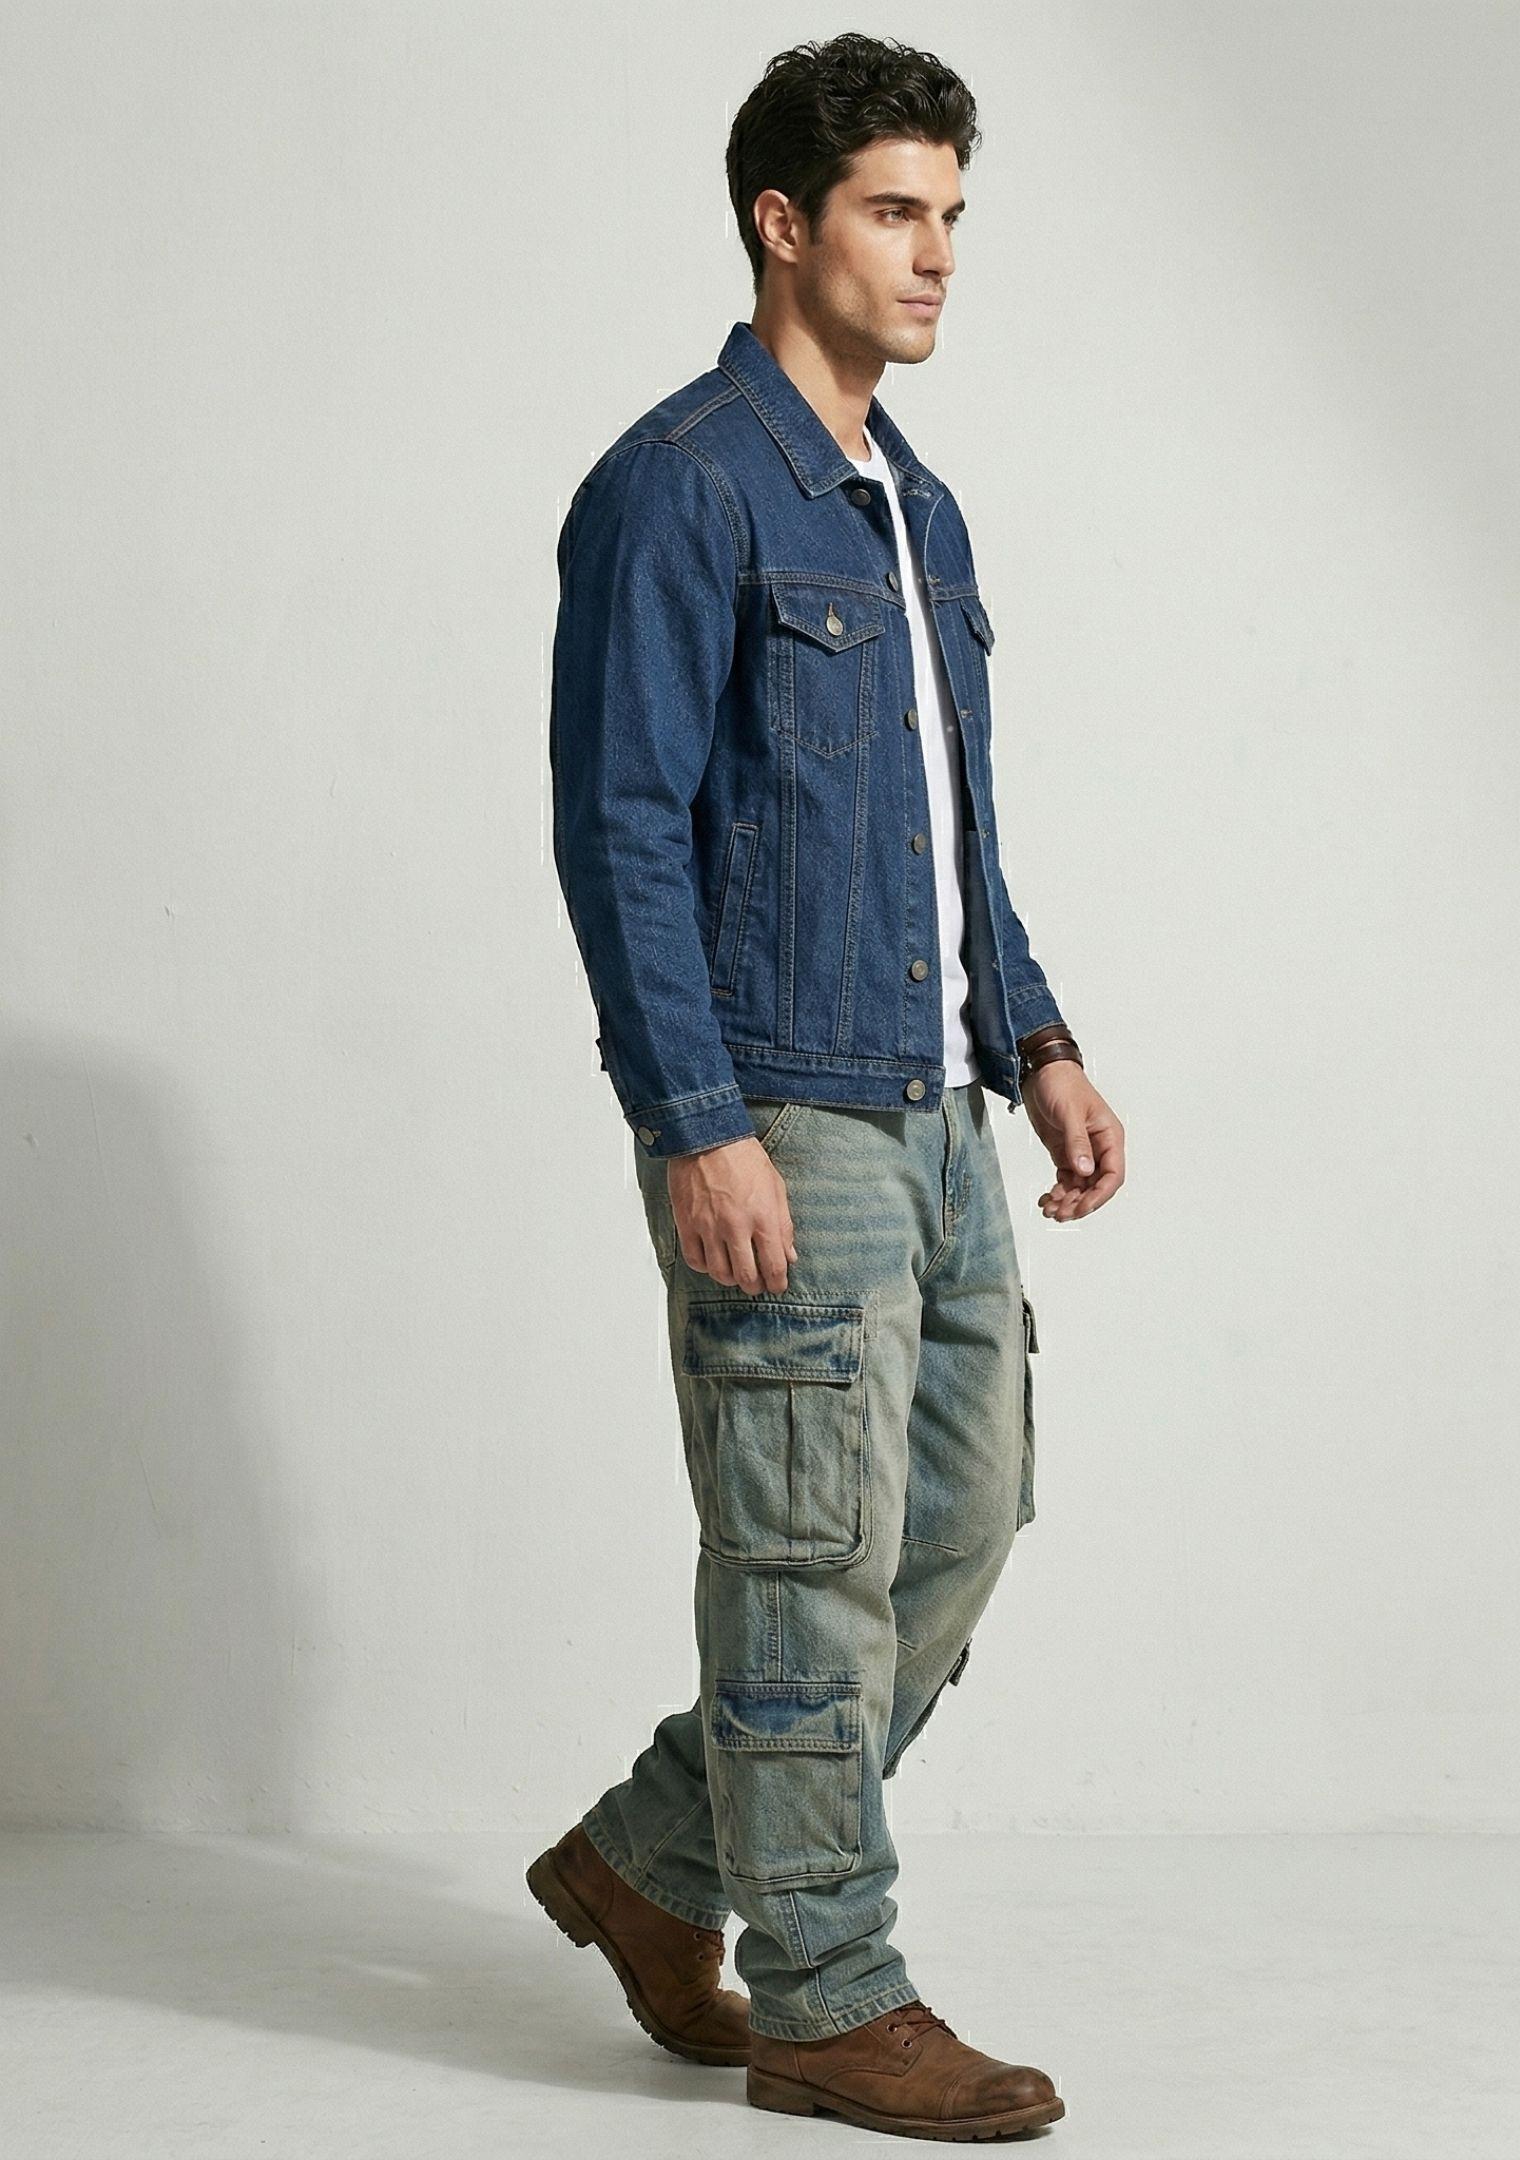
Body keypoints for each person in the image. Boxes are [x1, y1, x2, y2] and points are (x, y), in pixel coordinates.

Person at [530, 30, 1125, 2141]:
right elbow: (620, 827)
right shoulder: (682, 486)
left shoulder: (912, 508)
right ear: (782, 224)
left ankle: (648, 1862)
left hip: (938, 1108)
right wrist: (695, 1120)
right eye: (895, 210)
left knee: (955, 1524)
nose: (938, 253)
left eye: (953, 214)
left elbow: (952, 829)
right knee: (804, 1560)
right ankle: (827, 1996)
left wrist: (1033, 1038)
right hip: (778, 1104)